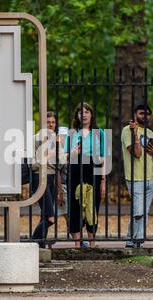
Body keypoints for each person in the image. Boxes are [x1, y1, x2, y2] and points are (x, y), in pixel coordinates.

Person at [65, 102, 106, 248]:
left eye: (87, 111)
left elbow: (103, 157)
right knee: (75, 205)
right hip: (75, 168)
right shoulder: (72, 133)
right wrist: (73, 153)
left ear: (91, 114)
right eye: (81, 112)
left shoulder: (99, 133)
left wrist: (103, 180)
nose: (84, 115)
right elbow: (65, 156)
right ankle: (77, 244)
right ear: (77, 115)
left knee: (92, 205)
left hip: (92, 169)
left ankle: (92, 242)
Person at [121, 104, 153, 248]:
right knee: (138, 212)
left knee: (142, 212)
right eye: (142, 113)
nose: (145, 116)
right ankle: (137, 241)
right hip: (135, 179)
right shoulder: (126, 131)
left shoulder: (151, 133)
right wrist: (135, 134)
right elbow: (137, 153)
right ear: (135, 114)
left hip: (151, 179)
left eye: (148, 114)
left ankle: (130, 240)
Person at [30, 111, 65, 248]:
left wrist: (56, 148)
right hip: (39, 177)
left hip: (52, 178)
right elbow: (34, 163)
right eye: (48, 122)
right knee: (51, 218)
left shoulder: (56, 140)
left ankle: (40, 246)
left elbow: (61, 162)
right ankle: (34, 241)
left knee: (45, 216)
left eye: (53, 122)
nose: (51, 125)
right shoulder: (35, 138)